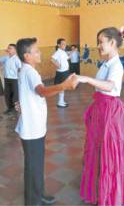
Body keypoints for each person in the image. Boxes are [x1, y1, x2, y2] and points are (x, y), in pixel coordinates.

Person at [77, 27, 124, 206]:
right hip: (101, 110)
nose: (98, 46)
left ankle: (111, 193)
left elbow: (110, 86)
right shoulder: (107, 63)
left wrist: (86, 79)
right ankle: (100, 189)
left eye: (101, 42)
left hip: (111, 112)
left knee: (110, 152)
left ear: (112, 43)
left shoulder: (116, 65)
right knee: (99, 150)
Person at [15, 38, 78, 206]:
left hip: (34, 126)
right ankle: (33, 201)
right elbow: (41, 91)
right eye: (36, 51)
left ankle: (39, 193)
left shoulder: (26, 70)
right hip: (31, 128)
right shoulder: (30, 72)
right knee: (33, 166)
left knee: (36, 164)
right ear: (27, 55)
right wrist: (63, 86)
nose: (40, 53)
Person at [0, 44, 22, 114]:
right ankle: (9, 108)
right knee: (7, 94)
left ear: (15, 50)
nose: (8, 49)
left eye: (10, 48)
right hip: (6, 79)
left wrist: (18, 75)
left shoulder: (17, 59)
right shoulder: (5, 57)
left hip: (14, 79)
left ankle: (15, 109)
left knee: (15, 95)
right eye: (8, 48)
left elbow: (20, 69)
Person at [51, 38, 70, 108]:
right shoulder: (58, 52)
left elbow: (67, 58)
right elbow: (52, 59)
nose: (65, 45)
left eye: (65, 44)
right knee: (62, 87)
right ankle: (60, 102)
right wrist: (58, 65)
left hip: (65, 71)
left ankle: (61, 101)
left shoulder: (63, 52)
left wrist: (71, 53)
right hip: (62, 72)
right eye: (63, 44)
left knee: (63, 87)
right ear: (58, 45)